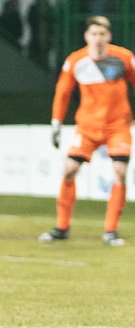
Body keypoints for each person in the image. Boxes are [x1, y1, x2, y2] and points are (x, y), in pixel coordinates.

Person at [40, 15, 135, 247]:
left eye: (102, 34)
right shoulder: (76, 61)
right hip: (88, 126)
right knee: (69, 170)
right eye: (94, 34)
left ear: (109, 36)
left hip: (117, 126)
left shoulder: (124, 57)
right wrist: (56, 122)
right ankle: (62, 227)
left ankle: (111, 230)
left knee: (120, 171)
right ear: (86, 36)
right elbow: (62, 92)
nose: (98, 38)